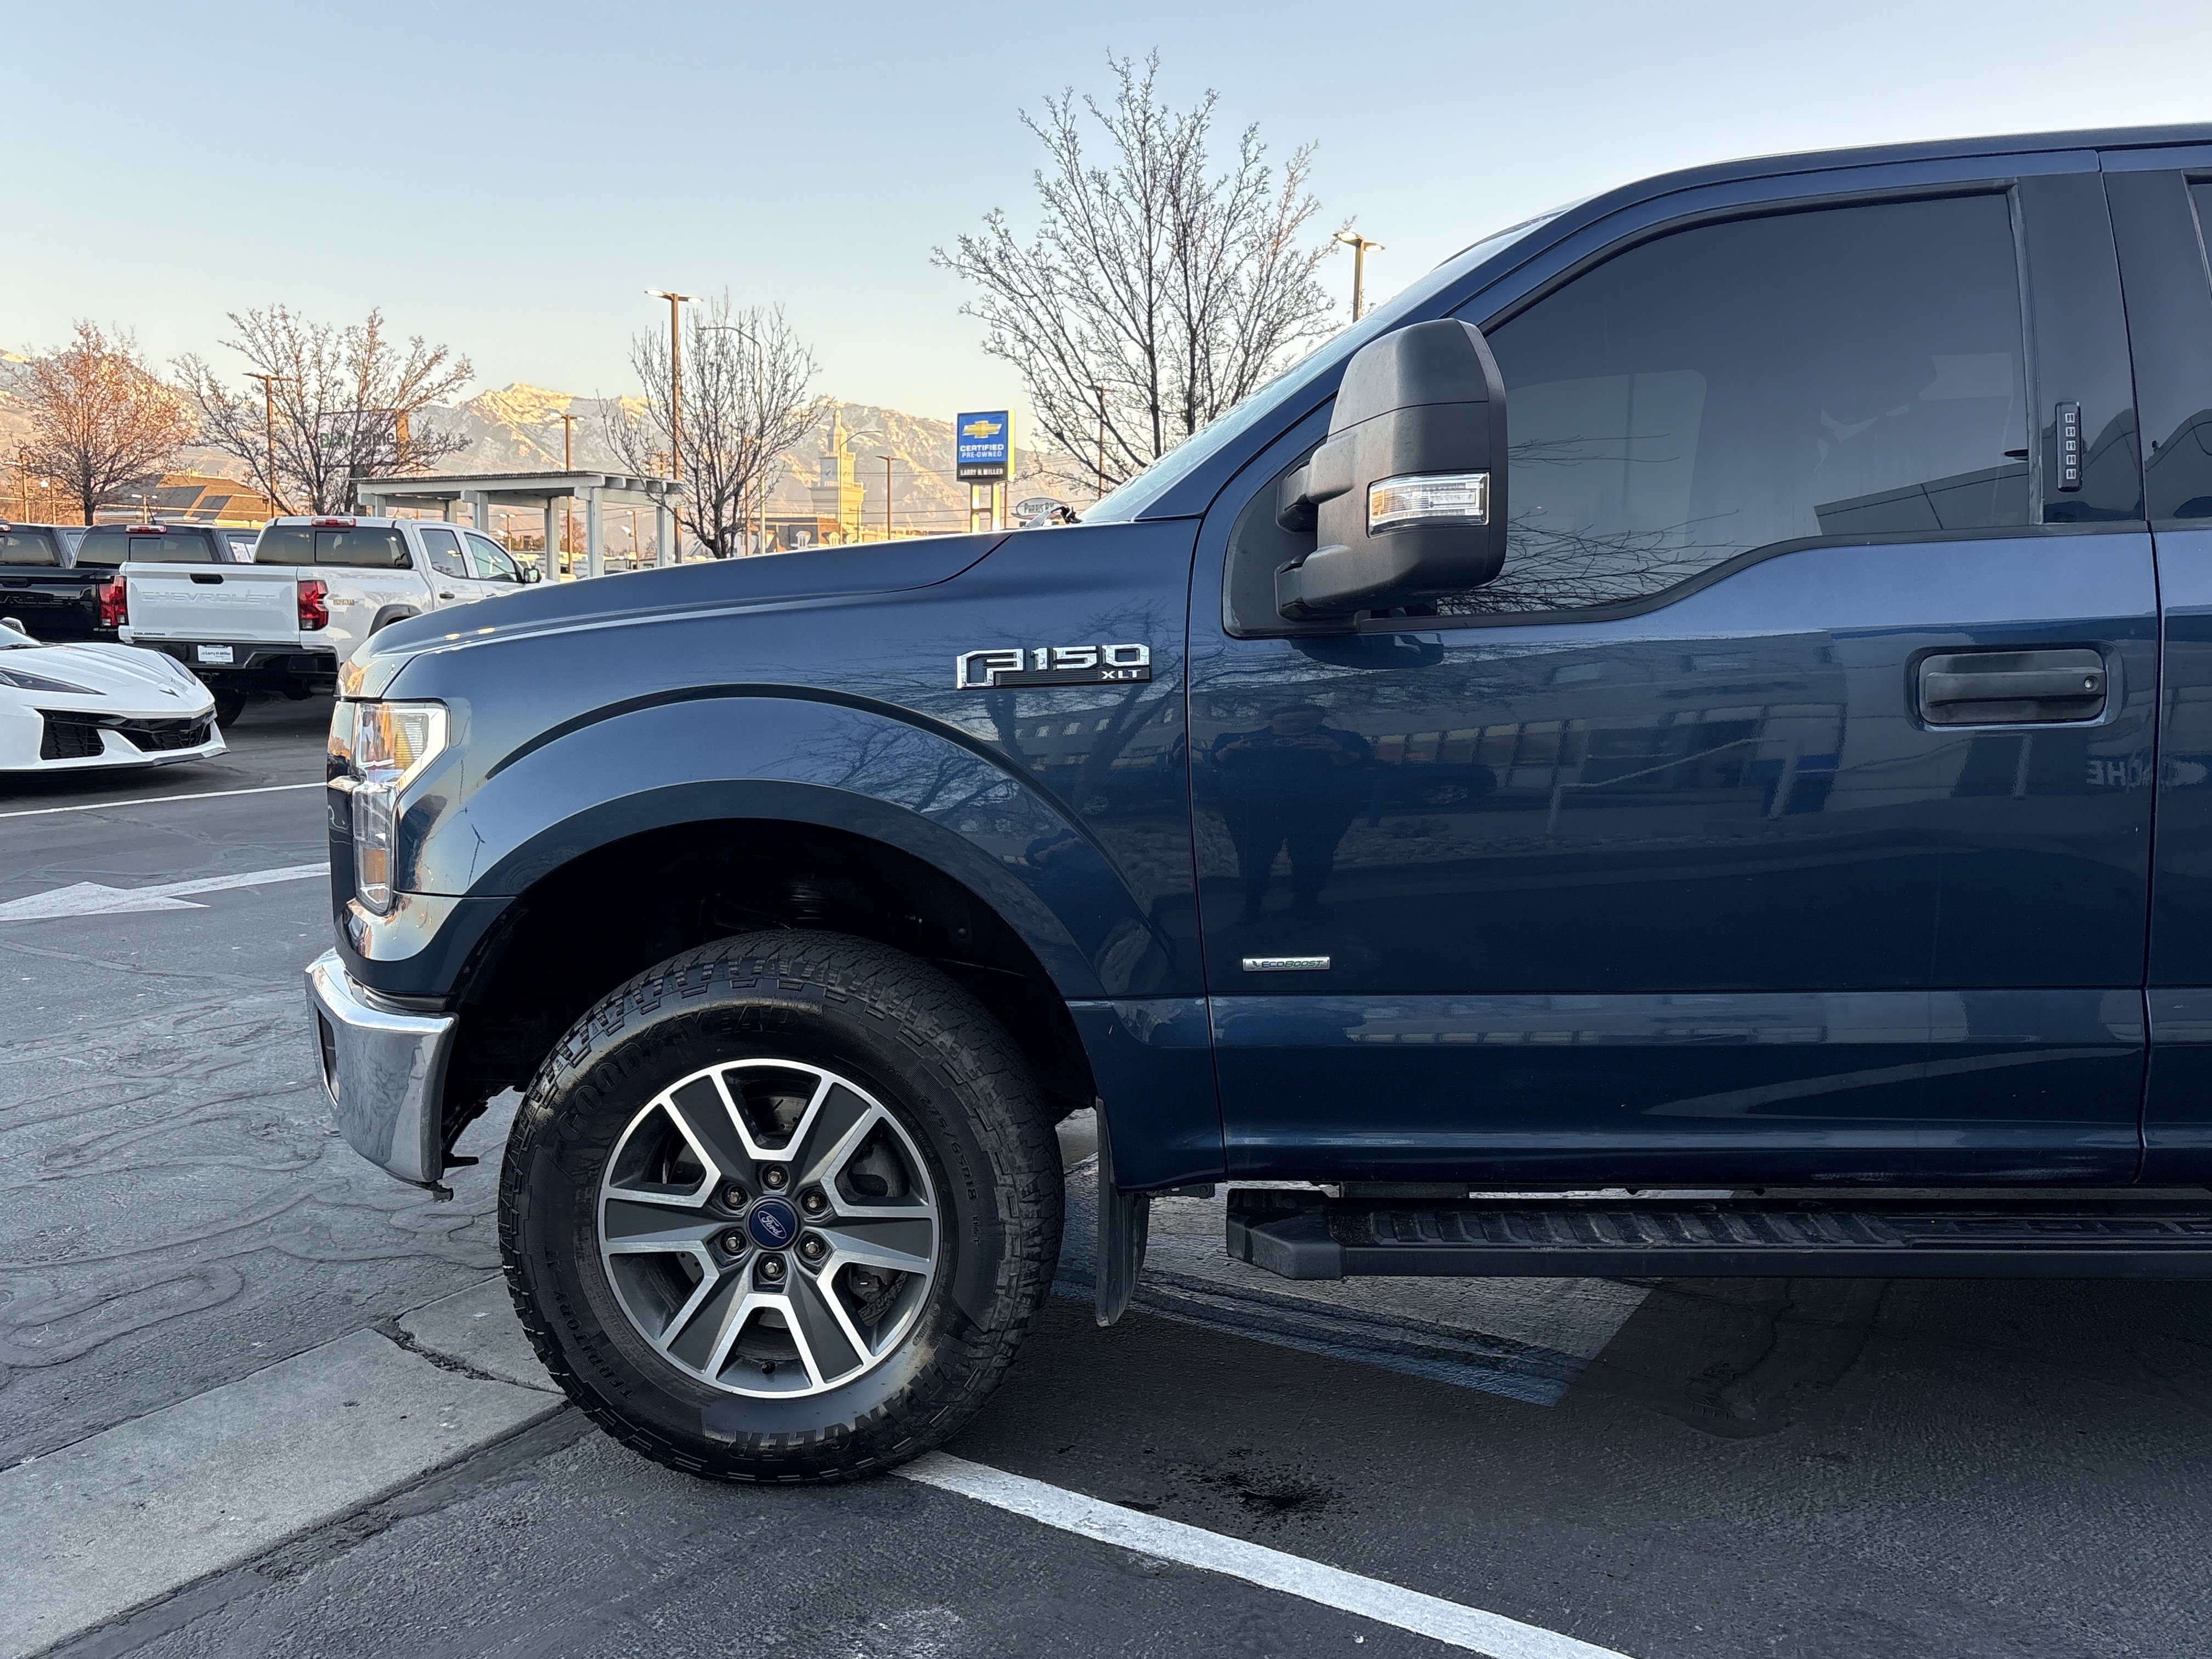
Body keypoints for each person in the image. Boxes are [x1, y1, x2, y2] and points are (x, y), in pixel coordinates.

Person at [1209, 704, 1372, 922]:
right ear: (1272, 720)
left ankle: (1307, 901)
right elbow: (1216, 762)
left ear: (1320, 719)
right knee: (1254, 856)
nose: (1295, 726)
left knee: (1314, 855)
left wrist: (1337, 750)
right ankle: (1252, 902)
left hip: (1320, 808)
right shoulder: (1245, 738)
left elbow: (1361, 763)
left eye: (1305, 722)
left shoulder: (1341, 739)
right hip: (1253, 807)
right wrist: (1231, 749)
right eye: (1287, 722)